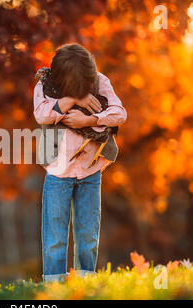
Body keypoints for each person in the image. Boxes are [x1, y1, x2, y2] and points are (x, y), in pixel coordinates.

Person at [33, 43, 127, 282]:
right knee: (55, 234)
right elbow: (42, 114)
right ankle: (54, 284)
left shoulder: (100, 81)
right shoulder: (45, 85)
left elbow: (119, 113)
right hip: (58, 172)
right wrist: (74, 99)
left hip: (90, 171)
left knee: (87, 232)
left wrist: (89, 120)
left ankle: (86, 280)